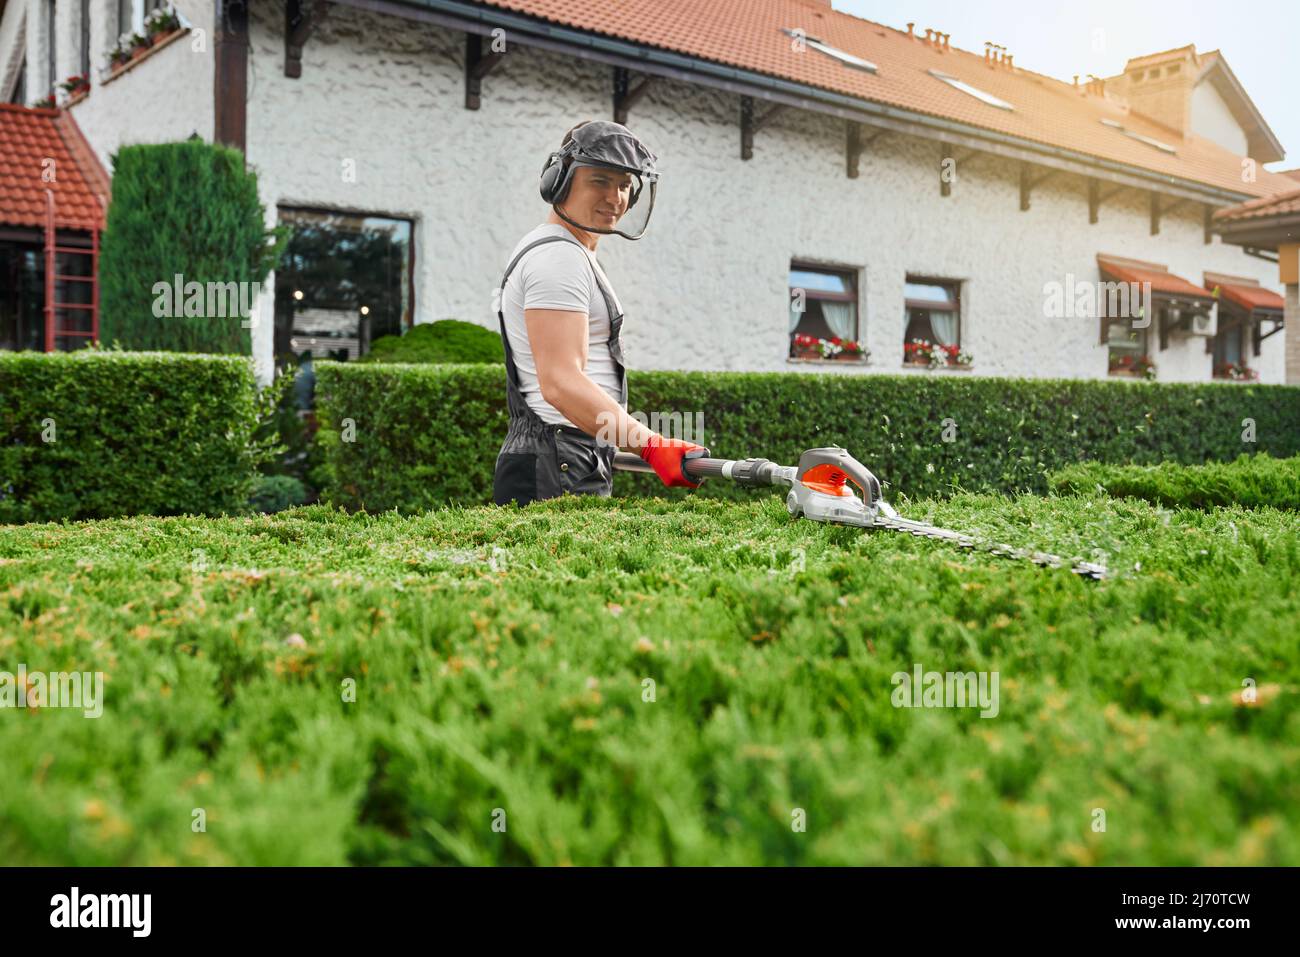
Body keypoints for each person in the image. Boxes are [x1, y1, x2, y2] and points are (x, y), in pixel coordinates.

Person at [492, 120, 709, 506]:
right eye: (600, 181)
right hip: (557, 458)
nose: (616, 197)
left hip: (566, 454)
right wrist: (652, 445)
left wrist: (620, 442)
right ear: (558, 181)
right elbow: (560, 382)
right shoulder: (558, 258)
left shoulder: (570, 253)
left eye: (625, 185)